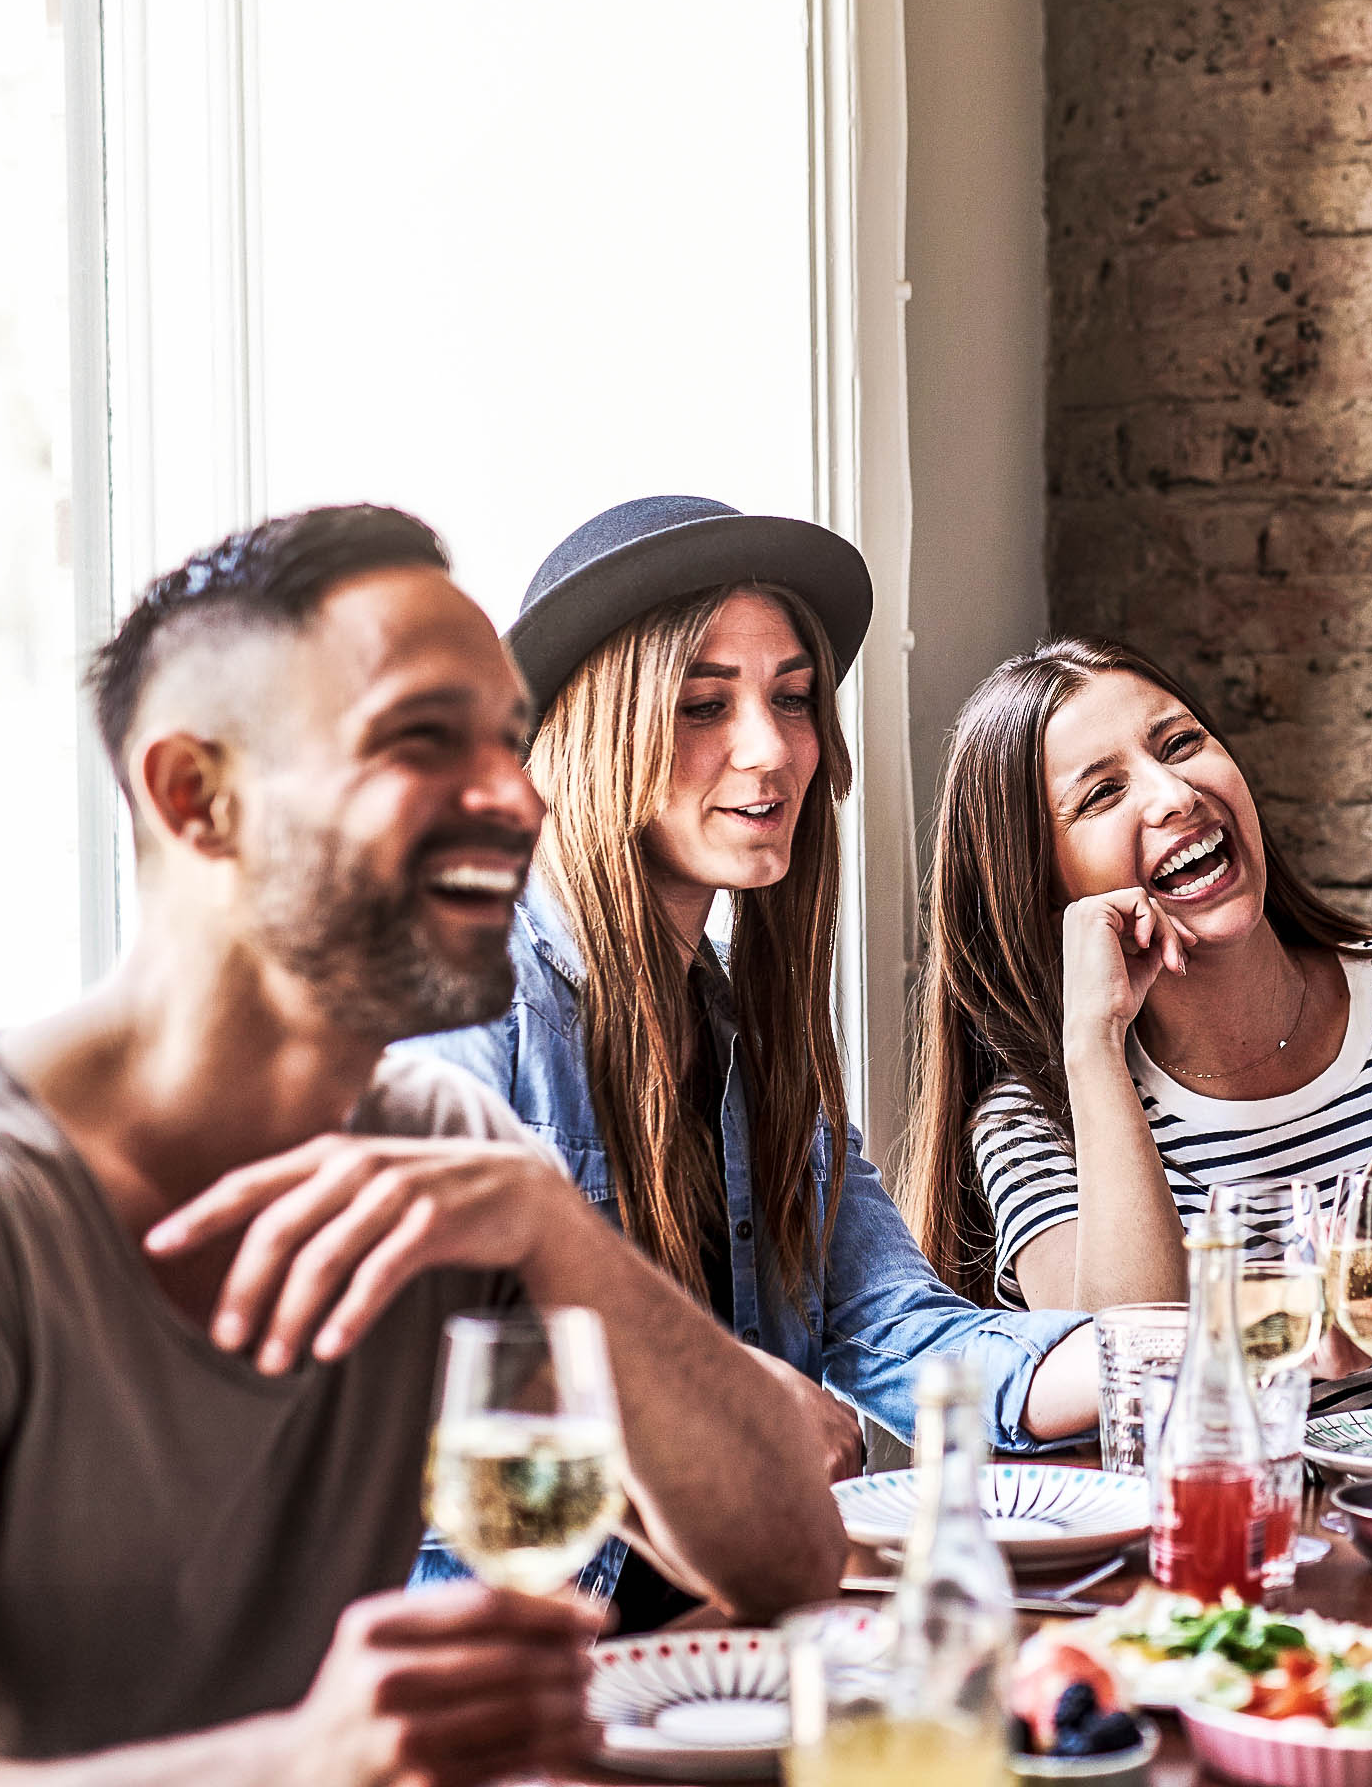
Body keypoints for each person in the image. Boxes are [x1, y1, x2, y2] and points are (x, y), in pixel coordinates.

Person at [0, 508, 848, 1777]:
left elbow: (786, 1559)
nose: (518, 797)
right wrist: (302, 1760)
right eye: (419, 740)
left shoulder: (454, 1150)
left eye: (511, 745)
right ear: (198, 797)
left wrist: (552, 1226)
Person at [402, 496, 1096, 1619]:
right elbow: (403, 1376)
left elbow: (904, 1337)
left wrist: (1202, 1342)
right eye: (701, 704)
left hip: (727, 1653)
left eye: (792, 698)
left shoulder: (753, 1038)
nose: (771, 751)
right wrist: (723, 1399)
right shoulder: (465, 1000)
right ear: (591, 728)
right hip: (513, 1675)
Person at [897, 635, 1372, 1406]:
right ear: (1041, 886)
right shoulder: (1038, 1120)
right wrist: (1092, 1044)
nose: (1176, 794)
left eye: (1182, 743)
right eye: (1102, 793)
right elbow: (1129, 1390)